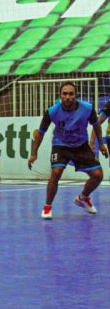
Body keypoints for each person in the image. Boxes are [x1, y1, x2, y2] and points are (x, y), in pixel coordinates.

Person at [28, 82, 108, 219]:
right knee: (56, 172)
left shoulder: (87, 108)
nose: (68, 97)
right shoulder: (52, 111)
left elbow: (96, 125)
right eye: (64, 94)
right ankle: (47, 206)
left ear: (76, 95)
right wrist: (33, 154)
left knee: (98, 175)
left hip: (81, 145)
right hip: (61, 145)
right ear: (60, 95)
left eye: (71, 94)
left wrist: (101, 144)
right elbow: (40, 133)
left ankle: (83, 198)